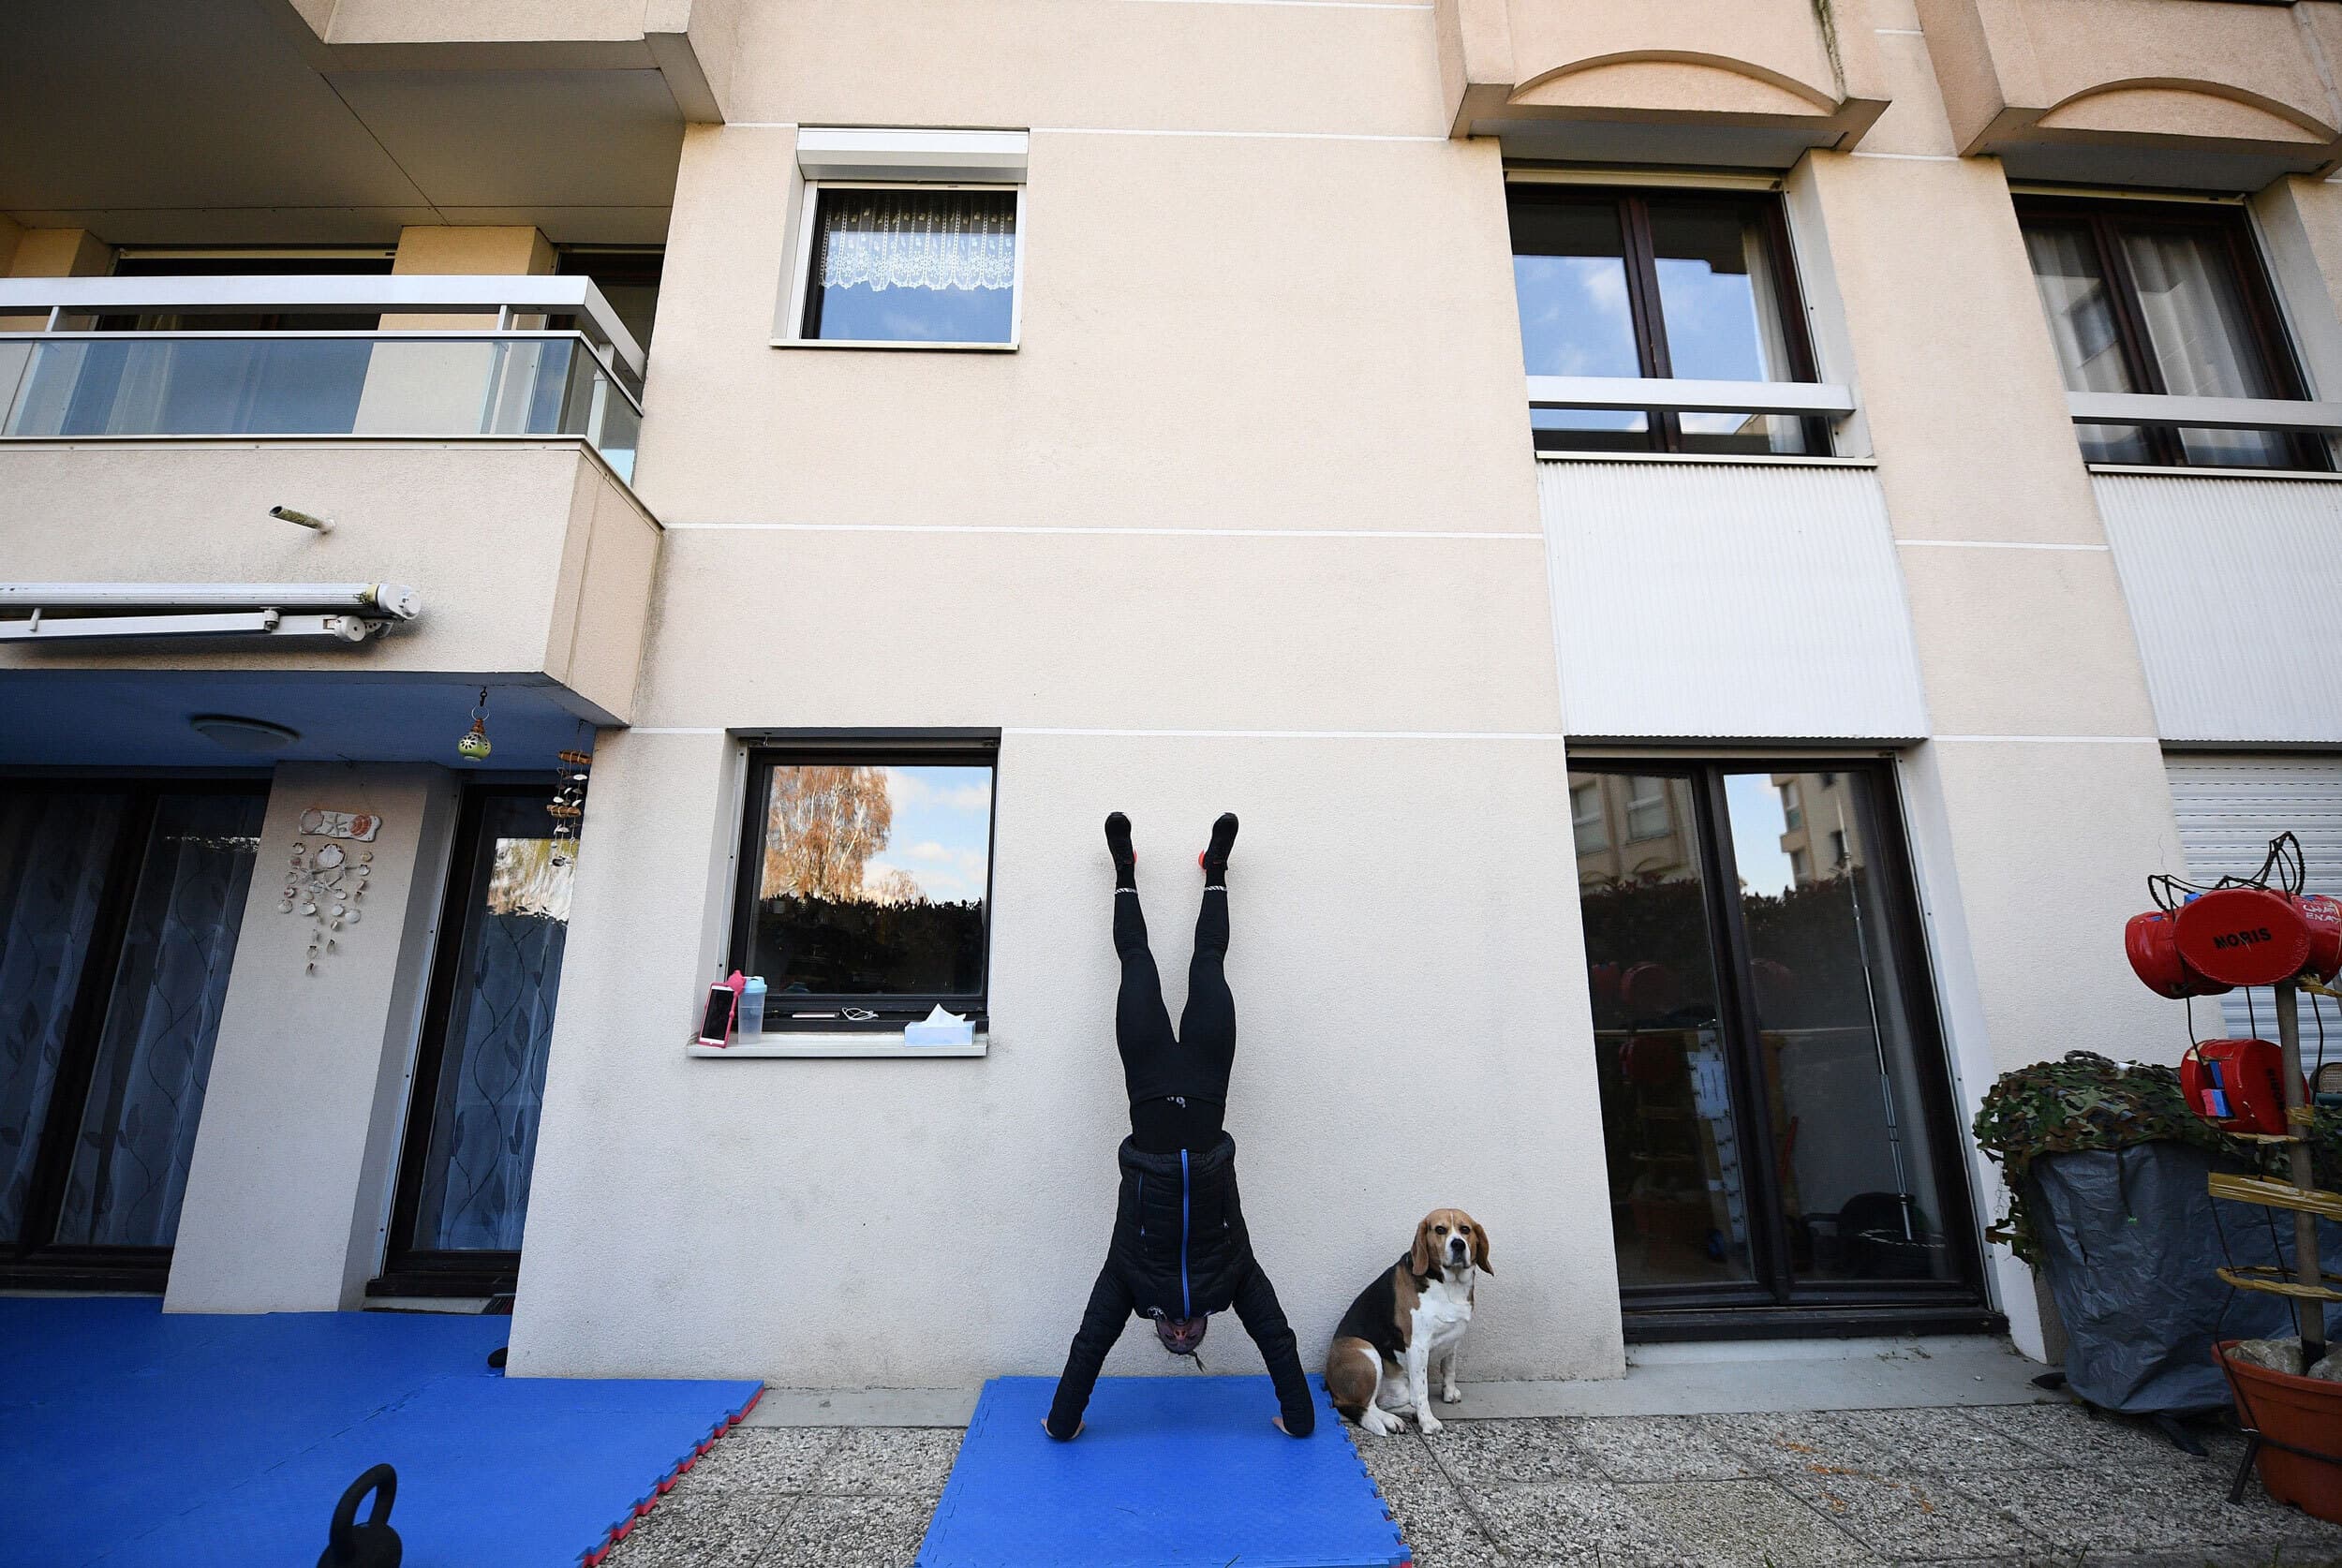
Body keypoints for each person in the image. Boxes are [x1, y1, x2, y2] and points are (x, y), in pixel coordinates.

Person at [1043, 812, 1316, 1441]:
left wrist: (1062, 1425)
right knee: (1209, 963)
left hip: (1146, 1078)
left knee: (1136, 963)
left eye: (1175, 1333)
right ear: (1203, 1329)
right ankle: (1215, 867)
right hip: (1206, 1074)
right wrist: (1298, 1421)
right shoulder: (1233, 1276)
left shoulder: (1129, 1279)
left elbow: (1090, 1345)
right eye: (1190, 1335)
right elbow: (1276, 1336)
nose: (1184, 1330)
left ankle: (1124, 869)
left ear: (1159, 1325)